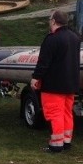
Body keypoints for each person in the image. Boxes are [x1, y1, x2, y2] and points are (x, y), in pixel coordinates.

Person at [30, 10, 80, 153]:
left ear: (53, 21)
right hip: (70, 83)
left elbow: (43, 62)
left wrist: (36, 77)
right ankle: (66, 141)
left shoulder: (52, 39)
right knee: (67, 113)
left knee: (54, 114)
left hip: (54, 84)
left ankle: (56, 144)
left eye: (50, 19)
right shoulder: (75, 37)